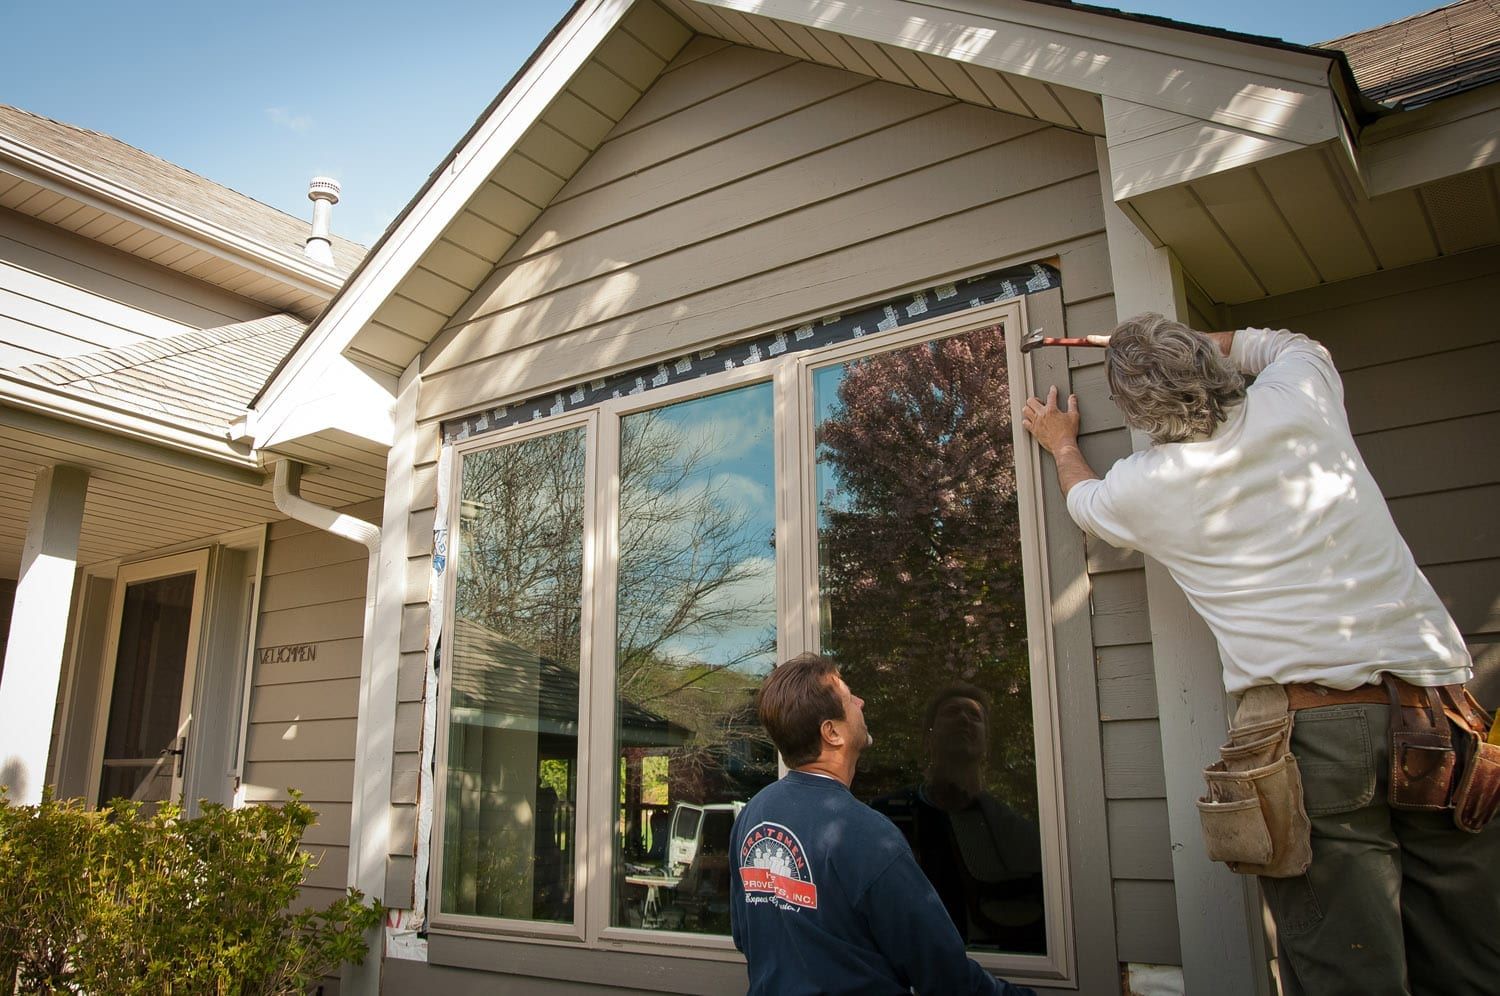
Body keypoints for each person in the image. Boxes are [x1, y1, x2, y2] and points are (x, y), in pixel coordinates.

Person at [1020, 314, 1500, 994]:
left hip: (1316, 739)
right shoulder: (1298, 394)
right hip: (1440, 718)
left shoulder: (1146, 485)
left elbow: (1083, 500)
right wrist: (1177, 339)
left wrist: (1061, 441)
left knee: (1349, 972)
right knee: (1472, 964)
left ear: (1132, 409)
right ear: (1212, 367)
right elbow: (1283, 344)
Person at [729, 652, 1034, 996]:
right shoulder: (865, 833)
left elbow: (745, 934)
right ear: (832, 732)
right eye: (849, 697)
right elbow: (942, 971)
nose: (861, 701)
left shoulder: (754, 815)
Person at [872, 684, 1046, 953]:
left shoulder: (1014, 831)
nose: (964, 719)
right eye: (952, 712)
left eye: (975, 716)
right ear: (928, 739)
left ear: (987, 743)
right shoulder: (886, 818)